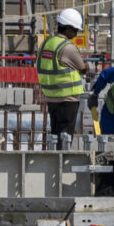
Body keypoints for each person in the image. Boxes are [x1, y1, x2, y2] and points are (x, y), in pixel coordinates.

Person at [36, 8, 90, 143]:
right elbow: (83, 69)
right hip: (67, 99)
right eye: (75, 30)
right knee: (65, 138)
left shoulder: (46, 44)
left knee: (55, 136)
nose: (76, 34)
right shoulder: (67, 47)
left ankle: (54, 161)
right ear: (68, 29)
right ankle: (61, 163)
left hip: (51, 98)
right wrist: (86, 66)